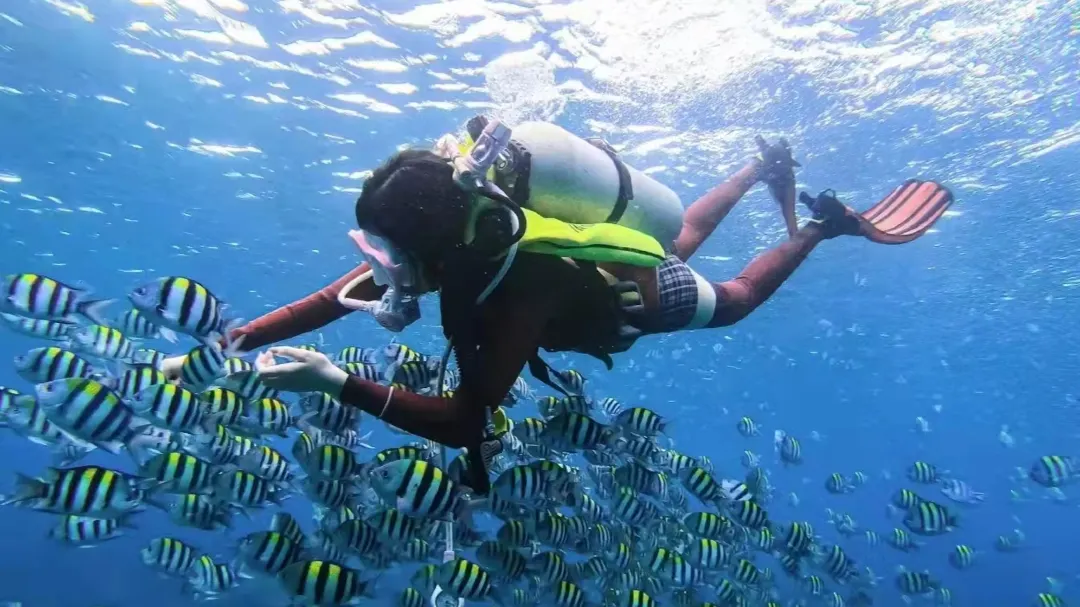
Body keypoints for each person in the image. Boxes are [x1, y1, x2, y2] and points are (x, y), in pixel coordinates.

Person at [167, 118, 953, 493]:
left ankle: (820, 226)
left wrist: (332, 382)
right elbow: (327, 299)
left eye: (389, 257)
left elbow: (465, 421)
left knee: (732, 295)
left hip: (629, 299)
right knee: (674, 235)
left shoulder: (515, 287)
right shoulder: (459, 230)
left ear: (441, 248)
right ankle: (754, 169)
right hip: (592, 257)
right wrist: (230, 341)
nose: (380, 273)